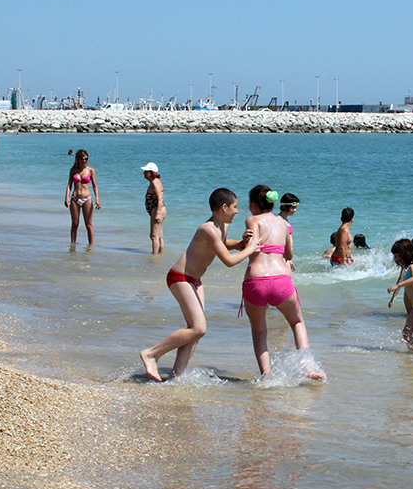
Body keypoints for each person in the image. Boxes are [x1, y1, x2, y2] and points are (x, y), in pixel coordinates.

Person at [138, 188, 264, 382]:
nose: (238, 211)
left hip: (195, 281)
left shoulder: (222, 226)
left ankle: (175, 377)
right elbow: (228, 261)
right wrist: (250, 250)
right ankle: (151, 354)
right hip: (179, 278)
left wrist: (240, 244)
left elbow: (221, 243)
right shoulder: (207, 229)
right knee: (199, 328)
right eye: (235, 207)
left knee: (194, 332)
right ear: (224, 207)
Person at [242, 186, 325, 379]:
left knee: (259, 330)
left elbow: (251, 246)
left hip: (256, 280)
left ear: (253, 204)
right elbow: (288, 254)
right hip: (281, 280)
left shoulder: (251, 220)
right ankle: (307, 367)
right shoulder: (282, 223)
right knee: (297, 322)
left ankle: (266, 374)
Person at [64, 149, 100, 245]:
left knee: (88, 224)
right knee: (75, 224)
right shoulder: (73, 170)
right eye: (82, 159)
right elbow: (69, 185)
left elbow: (95, 186)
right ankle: (72, 245)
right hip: (75, 198)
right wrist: (66, 197)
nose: (84, 161)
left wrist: (97, 200)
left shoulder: (91, 170)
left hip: (87, 199)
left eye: (86, 159)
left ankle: (90, 247)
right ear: (77, 159)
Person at [140, 162, 166, 254]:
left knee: (154, 236)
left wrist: (157, 214)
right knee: (159, 236)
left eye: (146, 171)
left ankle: (154, 258)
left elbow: (160, 198)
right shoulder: (156, 182)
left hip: (157, 209)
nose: (144, 173)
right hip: (159, 209)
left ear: (151, 172)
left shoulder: (154, 183)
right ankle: (160, 255)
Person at [277, 193, 299, 269]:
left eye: (295, 208)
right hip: (282, 256)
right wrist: (286, 258)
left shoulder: (285, 220)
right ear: (284, 206)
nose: (295, 210)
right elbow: (279, 241)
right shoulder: (279, 220)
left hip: (286, 256)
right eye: (293, 208)